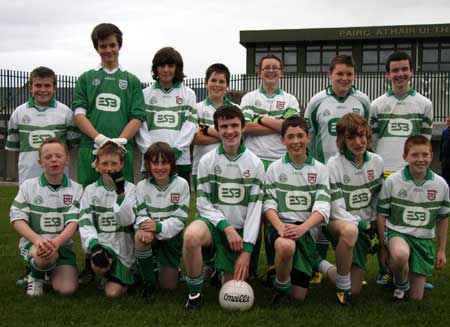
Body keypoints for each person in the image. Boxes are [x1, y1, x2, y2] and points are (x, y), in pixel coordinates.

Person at [73, 23, 145, 283]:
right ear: (97, 48)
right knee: (89, 206)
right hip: (90, 150)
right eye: (103, 46)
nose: (108, 50)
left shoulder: (132, 81)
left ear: (119, 46)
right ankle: (90, 262)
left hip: (120, 154)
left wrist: (121, 140)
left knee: (122, 202)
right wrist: (100, 138)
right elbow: (78, 114)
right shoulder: (85, 78)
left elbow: (138, 116)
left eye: (112, 45)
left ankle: (127, 261)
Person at [182, 104, 265, 310]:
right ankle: (195, 293)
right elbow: (202, 202)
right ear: (217, 130)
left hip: (239, 234)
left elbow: (255, 212)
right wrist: (225, 227)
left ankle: (220, 268)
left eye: (234, 125)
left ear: (243, 127)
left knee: (233, 294)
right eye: (224, 126)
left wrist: (246, 250)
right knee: (191, 235)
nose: (230, 131)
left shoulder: (255, 164)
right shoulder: (207, 161)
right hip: (216, 226)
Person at [304, 54, 371, 283]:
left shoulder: (362, 101)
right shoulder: (317, 101)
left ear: (354, 75)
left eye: (349, 74)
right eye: (339, 73)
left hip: (352, 172)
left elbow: (366, 132)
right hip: (324, 170)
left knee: (351, 216)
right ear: (330, 74)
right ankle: (317, 266)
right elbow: (310, 135)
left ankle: (350, 267)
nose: (344, 78)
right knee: (320, 219)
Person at [370, 51, 433, 286]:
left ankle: (412, 270)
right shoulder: (377, 105)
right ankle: (385, 268)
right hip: (385, 171)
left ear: (411, 71)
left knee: (412, 222)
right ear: (387, 74)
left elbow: (424, 140)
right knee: (384, 220)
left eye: (404, 69)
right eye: (395, 70)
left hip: (412, 171)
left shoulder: (424, 104)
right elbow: (373, 141)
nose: (400, 74)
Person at [264, 115, 336, 307]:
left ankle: (289, 268)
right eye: (290, 137)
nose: (296, 141)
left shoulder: (320, 169)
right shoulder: (273, 168)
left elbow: (322, 207)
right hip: (281, 231)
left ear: (308, 138)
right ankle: (281, 288)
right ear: (282, 140)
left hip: (306, 230)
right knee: (286, 246)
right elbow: (268, 205)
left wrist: (303, 228)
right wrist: (280, 227)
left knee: (299, 296)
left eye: (300, 136)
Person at [240, 54, 300, 277]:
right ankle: (251, 269)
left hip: (280, 162)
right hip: (254, 161)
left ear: (281, 72)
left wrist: (262, 119)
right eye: (267, 68)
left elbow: (292, 126)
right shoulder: (249, 97)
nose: (271, 71)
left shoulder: (291, 99)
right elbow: (245, 127)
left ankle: (275, 268)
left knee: (275, 215)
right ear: (259, 72)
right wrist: (278, 124)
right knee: (254, 215)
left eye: (275, 68)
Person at [377, 135, 449, 301]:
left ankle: (401, 275)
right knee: (401, 255)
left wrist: (442, 250)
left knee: (416, 297)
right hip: (398, 233)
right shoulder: (393, 181)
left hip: (423, 240)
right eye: (415, 155)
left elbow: (443, 218)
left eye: (425, 155)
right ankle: (401, 282)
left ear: (431, 156)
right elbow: (381, 214)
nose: (420, 159)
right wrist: (383, 247)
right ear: (405, 157)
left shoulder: (441, 184)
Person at [9, 137, 82, 296]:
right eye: (48, 157)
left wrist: (56, 242)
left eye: (58, 156)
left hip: (62, 247)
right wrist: (37, 240)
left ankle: (45, 272)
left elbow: (74, 223)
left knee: (67, 289)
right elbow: (16, 218)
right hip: (34, 246)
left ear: (67, 160)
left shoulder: (76, 189)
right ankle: (35, 276)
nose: (53, 160)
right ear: (40, 163)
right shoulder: (28, 186)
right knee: (45, 254)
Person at [326, 113, 384, 305]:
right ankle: (342, 291)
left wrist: (374, 223)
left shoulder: (376, 162)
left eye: (362, 135)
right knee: (350, 232)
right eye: (351, 138)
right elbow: (335, 208)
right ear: (341, 140)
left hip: (367, 225)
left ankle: (319, 264)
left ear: (368, 134)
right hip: (340, 223)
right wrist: (363, 225)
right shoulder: (334, 165)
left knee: (357, 288)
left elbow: (377, 198)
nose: (358, 142)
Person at [78, 142, 136, 297]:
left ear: (122, 164)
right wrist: (94, 245)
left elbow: (127, 221)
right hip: (103, 246)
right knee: (99, 264)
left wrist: (120, 193)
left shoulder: (132, 189)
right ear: (97, 164)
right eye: (104, 163)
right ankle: (106, 275)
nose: (109, 168)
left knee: (112, 293)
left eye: (114, 163)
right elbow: (85, 222)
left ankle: (128, 274)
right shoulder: (90, 191)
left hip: (124, 250)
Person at [6, 66, 78, 185]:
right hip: (28, 176)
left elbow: (71, 146)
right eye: (38, 85)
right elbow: (15, 147)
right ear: (30, 88)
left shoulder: (66, 113)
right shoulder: (19, 113)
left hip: (58, 177)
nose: (43, 90)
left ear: (55, 88)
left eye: (47, 86)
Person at [134, 142, 190, 297]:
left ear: (172, 163)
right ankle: (148, 281)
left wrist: (158, 227)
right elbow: (140, 214)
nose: (160, 168)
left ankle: (166, 267)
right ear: (148, 165)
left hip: (171, 237)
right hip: (149, 233)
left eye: (164, 162)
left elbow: (180, 218)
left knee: (169, 287)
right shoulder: (141, 186)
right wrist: (146, 227)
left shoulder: (182, 184)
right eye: (155, 163)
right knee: (140, 237)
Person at [136, 47, 197, 183]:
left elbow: (190, 126)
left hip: (180, 161)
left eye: (170, 65)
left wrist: (175, 152)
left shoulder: (189, 94)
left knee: (178, 202)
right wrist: (152, 154)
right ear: (155, 68)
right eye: (162, 65)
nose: (166, 70)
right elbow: (141, 128)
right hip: (151, 162)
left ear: (177, 68)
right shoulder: (144, 94)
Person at [192, 63, 234, 189]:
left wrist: (206, 130)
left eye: (222, 81)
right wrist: (225, 136)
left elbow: (240, 137)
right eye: (213, 80)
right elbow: (194, 137)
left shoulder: (235, 109)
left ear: (227, 85)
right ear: (206, 83)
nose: (217, 84)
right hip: (201, 166)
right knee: (204, 206)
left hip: (230, 166)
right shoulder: (196, 108)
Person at [440, 116, 450, 187]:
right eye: (447, 121)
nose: (447, 123)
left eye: (449, 121)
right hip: (444, 160)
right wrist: (441, 157)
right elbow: (441, 144)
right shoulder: (444, 132)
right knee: (444, 177)